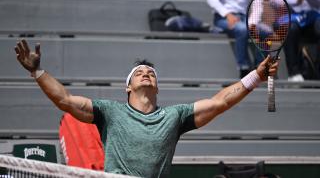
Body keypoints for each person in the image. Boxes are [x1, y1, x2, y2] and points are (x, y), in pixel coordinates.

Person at [14, 39, 279, 178]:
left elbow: (220, 102)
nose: (145, 74)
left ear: (157, 86)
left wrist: (255, 76)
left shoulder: (175, 116)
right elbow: (65, 100)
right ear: (127, 87)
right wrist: (37, 72)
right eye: (138, 72)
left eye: (150, 73)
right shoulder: (110, 112)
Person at [207, 0, 265, 78]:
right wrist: (227, 14)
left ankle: (259, 68)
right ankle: (243, 68)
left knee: (264, 32)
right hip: (222, 18)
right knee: (242, 29)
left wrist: (253, 23)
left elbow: (258, 4)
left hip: (245, 18)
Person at [269, 0, 320, 81]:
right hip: (285, 16)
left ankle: (316, 70)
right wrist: (297, 1)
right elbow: (275, 2)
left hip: (310, 16)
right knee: (291, 28)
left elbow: (318, 2)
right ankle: (294, 73)